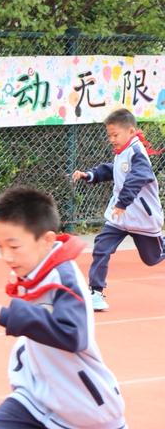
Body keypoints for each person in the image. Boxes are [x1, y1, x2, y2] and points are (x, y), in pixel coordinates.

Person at [0, 187, 126, 429]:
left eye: (14, 246)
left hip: (85, 412)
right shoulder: (31, 270)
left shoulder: (63, 279)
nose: (6, 257)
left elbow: (74, 336)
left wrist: (8, 315)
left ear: (47, 240)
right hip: (35, 399)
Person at [72, 108, 164, 311]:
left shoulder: (137, 153)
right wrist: (89, 175)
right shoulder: (122, 152)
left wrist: (122, 203)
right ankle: (96, 292)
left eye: (115, 135)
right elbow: (113, 170)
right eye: (109, 135)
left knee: (152, 259)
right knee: (101, 246)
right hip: (119, 217)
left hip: (142, 218)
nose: (112, 139)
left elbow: (137, 178)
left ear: (131, 131)